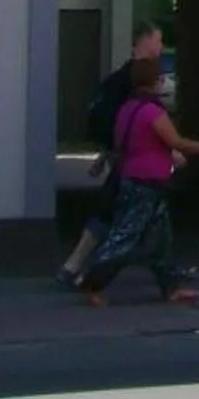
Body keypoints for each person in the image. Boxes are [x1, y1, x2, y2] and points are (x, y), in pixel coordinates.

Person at [76, 58, 199, 307]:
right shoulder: (152, 112)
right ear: (152, 81)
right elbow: (175, 141)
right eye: (160, 77)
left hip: (136, 178)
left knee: (161, 238)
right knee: (126, 236)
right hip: (147, 182)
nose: (163, 81)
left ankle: (171, 287)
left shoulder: (127, 109)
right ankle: (92, 282)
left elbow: (123, 143)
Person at [57, 20, 165, 287]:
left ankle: (76, 266)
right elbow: (139, 122)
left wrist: (106, 153)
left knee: (115, 212)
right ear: (145, 41)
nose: (161, 47)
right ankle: (87, 272)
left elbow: (117, 122)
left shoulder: (118, 79)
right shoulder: (137, 80)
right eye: (158, 40)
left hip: (127, 158)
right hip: (137, 163)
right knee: (127, 219)